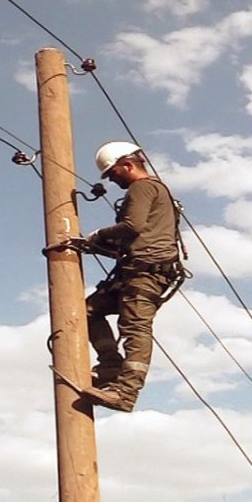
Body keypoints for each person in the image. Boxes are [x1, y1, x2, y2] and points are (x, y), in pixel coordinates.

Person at [72, 141, 185, 412]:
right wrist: (94, 245)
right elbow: (136, 237)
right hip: (137, 270)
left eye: (112, 173)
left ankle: (126, 392)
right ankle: (110, 367)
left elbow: (132, 226)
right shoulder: (156, 191)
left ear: (127, 165)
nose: (112, 180)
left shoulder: (142, 187)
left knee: (135, 327)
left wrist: (98, 235)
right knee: (87, 311)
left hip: (146, 273)